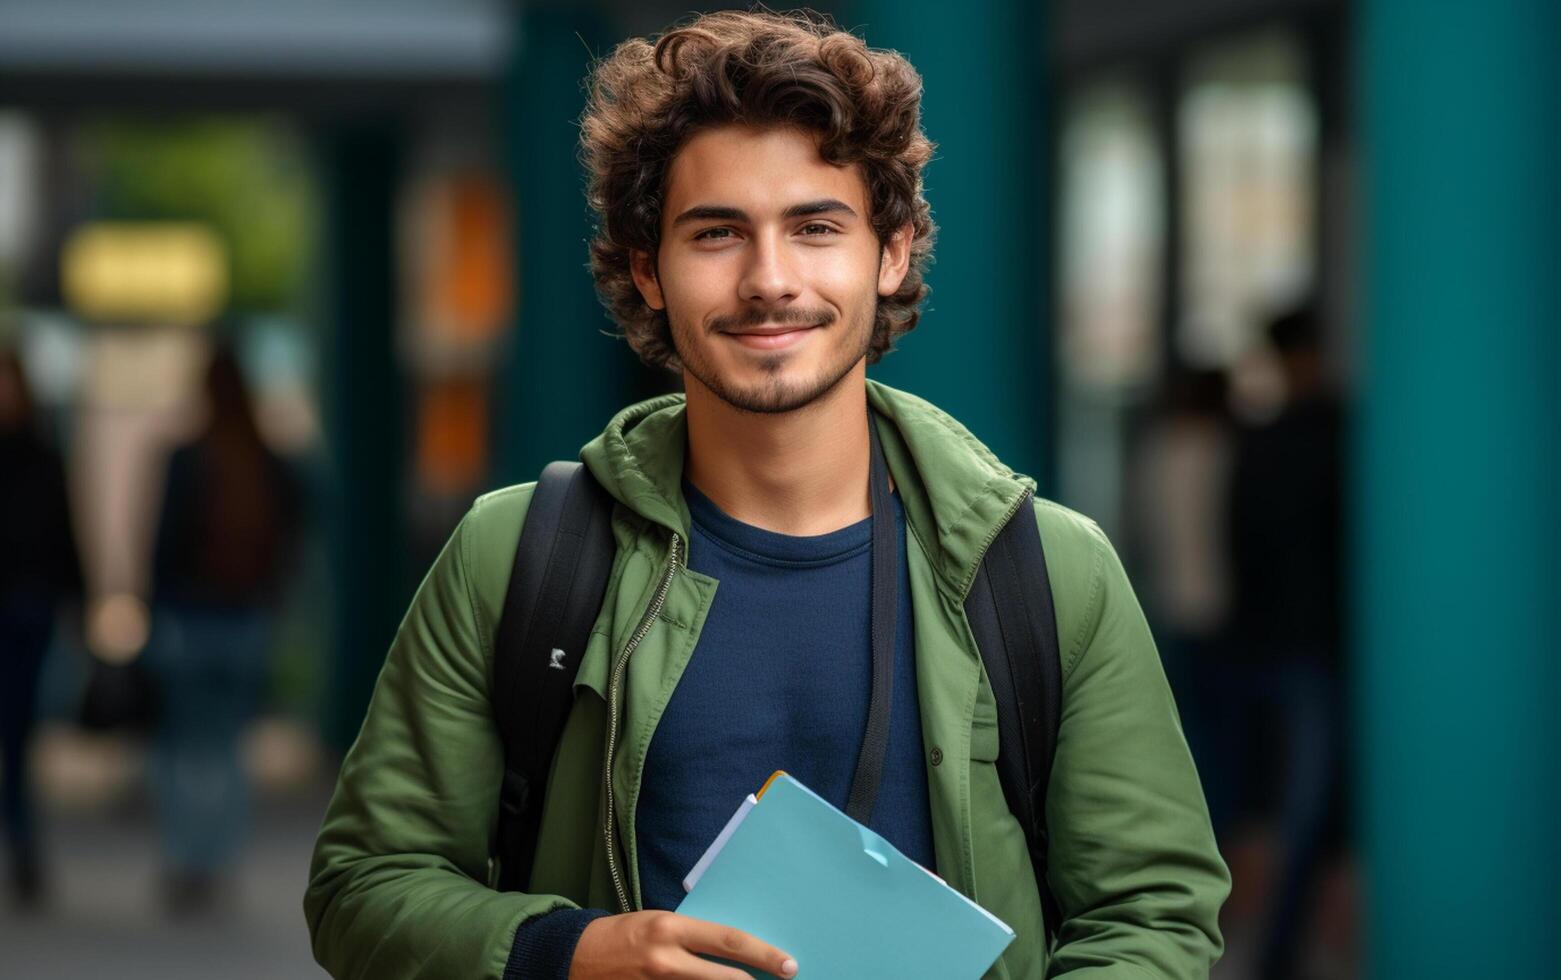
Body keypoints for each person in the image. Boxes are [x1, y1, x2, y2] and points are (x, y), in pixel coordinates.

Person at [306, 11, 1229, 979]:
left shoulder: (1044, 567)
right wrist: (573, 948)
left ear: (892, 251)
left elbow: (1151, 912)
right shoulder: (518, 554)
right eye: (716, 233)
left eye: (816, 227)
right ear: (643, 268)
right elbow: (364, 884)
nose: (769, 279)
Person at [144, 345, 301, 914]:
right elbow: (296, 531)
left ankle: (187, 857)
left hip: (189, 617)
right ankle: (218, 857)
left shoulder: (188, 458)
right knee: (228, 745)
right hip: (246, 618)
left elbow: (160, 545)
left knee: (182, 744)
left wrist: (150, 611)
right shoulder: (269, 460)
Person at [1225, 307, 1347, 980]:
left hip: (1275, 642)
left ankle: (1281, 949)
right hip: (1320, 641)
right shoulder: (1334, 432)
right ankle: (1281, 954)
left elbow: (1240, 546)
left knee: (1291, 801)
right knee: (1306, 804)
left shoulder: (1261, 439)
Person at [0, 348, 82, 909]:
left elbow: (64, 531)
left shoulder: (43, 457)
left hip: (27, 611)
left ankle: (24, 847)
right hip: (27, 604)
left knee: (17, 737)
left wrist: (80, 599)